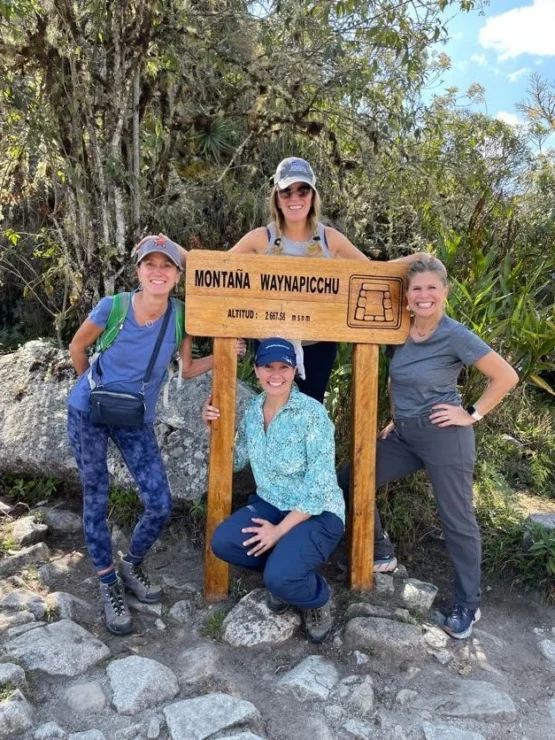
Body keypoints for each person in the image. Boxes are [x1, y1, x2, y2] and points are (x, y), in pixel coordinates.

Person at [67, 235, 244, 635]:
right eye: (151, 264)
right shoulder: (112, 307)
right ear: (139, 271)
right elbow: (78, 347)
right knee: (96, 495)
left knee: (160, 502)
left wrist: (225, 352)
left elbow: (187, 369)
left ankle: (131, 563)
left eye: (167, 266)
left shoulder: (180, 315)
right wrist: (92, 391)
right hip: (88, 414)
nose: (159, 271)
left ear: (178, 275)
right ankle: (108, 581)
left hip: (135, 419)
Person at [339, 256, 519, 639]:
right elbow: (394, 379)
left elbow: (506, 376)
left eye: (431, 289)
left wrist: (470, 413)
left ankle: (468, 606)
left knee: (457, 521)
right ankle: (381, 551)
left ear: (444, 293)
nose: (424, 296)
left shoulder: (454, 334)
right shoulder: (400, 330)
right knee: (352, 477)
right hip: (404, 435)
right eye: (417, 289)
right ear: (407, 296)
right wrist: (394, 415)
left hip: (444, 436)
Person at [230, 156, 427, 402]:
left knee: (311, 412)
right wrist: (171, 252)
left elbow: (374, 273)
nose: (295, 198)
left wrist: (417, 258)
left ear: (312, 196)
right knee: (274, 411)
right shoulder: (261, 238)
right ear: (276, 199)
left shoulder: (329, 239)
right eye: (286, 192)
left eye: (303, 190)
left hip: (318, 345)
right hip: (273, 343)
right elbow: (216, 277)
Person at [202, 337, 345, 643]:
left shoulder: (312, 415)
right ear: (256, 369)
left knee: (279, 577)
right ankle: (287, 575)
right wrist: (214, 427)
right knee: (224, 542)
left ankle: (317, 597)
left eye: (284, 367)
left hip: (317, 513)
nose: (275, 374)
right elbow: (236, 459)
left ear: (295, 371)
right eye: (268, 366)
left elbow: (318, 490)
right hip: (271, 504)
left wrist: (278, 532)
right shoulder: (253, 410)